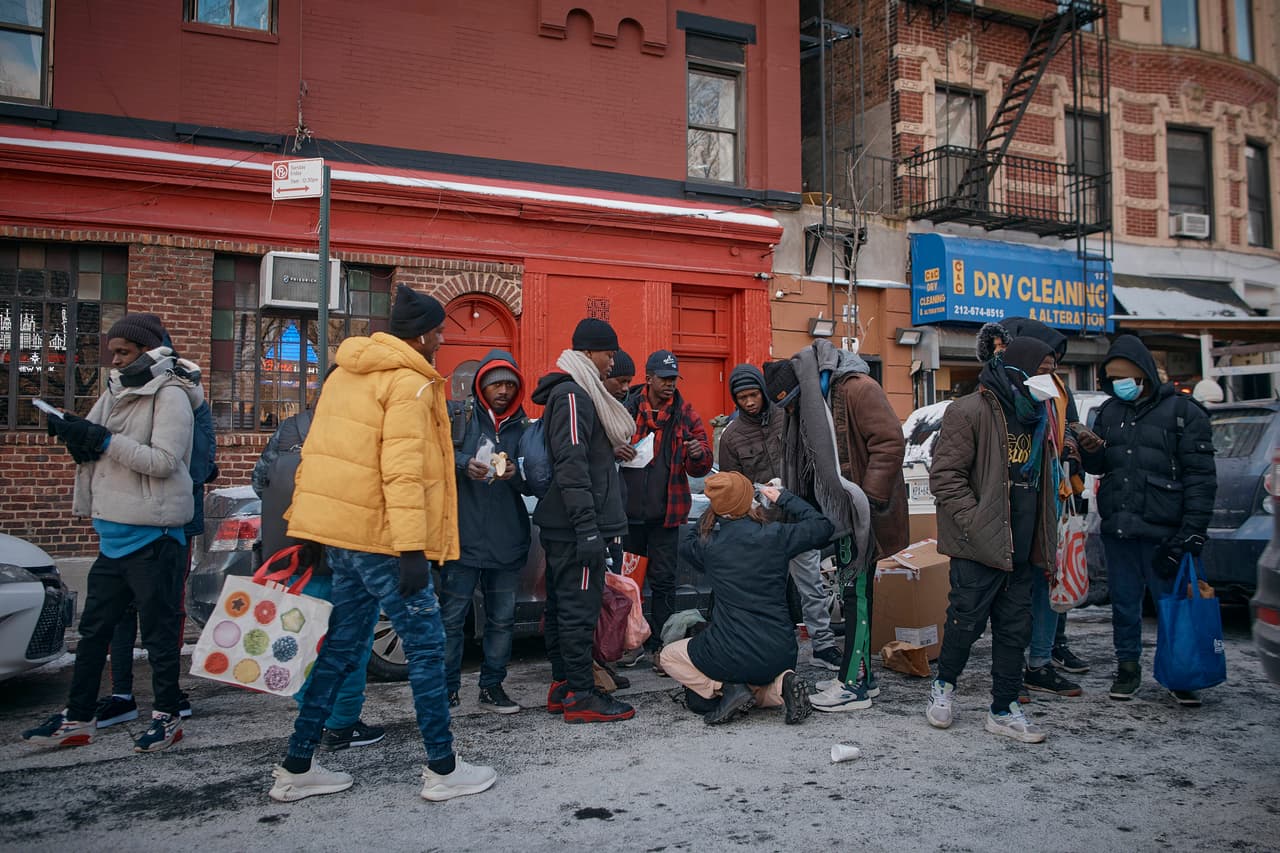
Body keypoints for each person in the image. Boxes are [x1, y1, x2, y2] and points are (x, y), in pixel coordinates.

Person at [267, 285, 495, 803]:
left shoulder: (347, 376)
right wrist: (413, 549)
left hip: (344, 538)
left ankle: (298, 765)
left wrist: (308, 533)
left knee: (342, 649)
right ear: (421, 335)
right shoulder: (411, 384)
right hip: (386, 540)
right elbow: (404, 471)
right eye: (439, 330)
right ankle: (442, 766)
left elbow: (319, 458)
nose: (442, 338)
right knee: (427, 647)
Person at [24, 313, 200, 753]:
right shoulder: (115, 389)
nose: (115, 360)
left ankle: (167, 716)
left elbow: (163, 462)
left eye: (123, 352)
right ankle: (78, 716)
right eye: (112, 352)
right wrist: (73, 434)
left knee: (158, 635)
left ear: (147, 350)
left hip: (154, 537)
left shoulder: (171, 394)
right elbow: (96, 438)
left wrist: (100, 440)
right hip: (112, 535)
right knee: (94, 632)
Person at [925, 336, 1060, 744]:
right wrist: (974, 522)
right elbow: (946, 478)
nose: (1049, 380)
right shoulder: (968, 411)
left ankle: (1003, 707)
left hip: (1021, 543)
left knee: (1014, 629)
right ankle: (944, 687)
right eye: (1043, 372)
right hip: (977, 544)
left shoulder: (1041, 414)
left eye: (1053, 372)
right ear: (1019, 370)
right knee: (965, 623)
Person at [1080, 334, 1216, 706]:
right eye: (1112, 378)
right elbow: (1101, 467)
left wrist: (1193, 532)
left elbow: (1201, 478)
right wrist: (1090, 453)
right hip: (1119, 529)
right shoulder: (1109, 412)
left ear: (1143, 374)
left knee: (1174, 605)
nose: (1119, 384)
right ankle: (1128, 668)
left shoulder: (1183, 413)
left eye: (1125, 376)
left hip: (1165, 531)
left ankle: (1181, 672)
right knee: (1124, 605)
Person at [252, 396, 386, 752]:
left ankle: (310, 718)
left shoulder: (290, 430)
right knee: (351, 643)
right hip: (349, 554)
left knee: (302, 640)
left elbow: (260, 481)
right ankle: (342, 724)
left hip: (295, 555)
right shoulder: (365, 429)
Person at [96, 344, 217, 729]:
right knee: (126, 612)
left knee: (161, 612)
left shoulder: (182, 399)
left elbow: (198, 462)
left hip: (171, 521)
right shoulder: (122, 393)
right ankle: (124, 695)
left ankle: (166, 697)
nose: (117, 361)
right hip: (125, 517)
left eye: (127, 352)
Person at [531, 318, 637, 723]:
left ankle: (564, 684)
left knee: (563, 608)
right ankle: (580, 695)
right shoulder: (574, 395)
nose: (611, 363)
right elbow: (572, 464)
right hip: (577, 528)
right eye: (609, 354)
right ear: (590, 353)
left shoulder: (579, 392)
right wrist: (589, 528)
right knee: (579, 610)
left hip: (571, 525)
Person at [666, 472, 832, 725]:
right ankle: (781, 685)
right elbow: (822, 526)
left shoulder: (709, 546)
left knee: (669, 655)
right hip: (781, 651)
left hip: (728, 653)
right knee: (764, 692)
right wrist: (784, 497)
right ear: (749, 501)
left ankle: (728, 688)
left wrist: (715, 507)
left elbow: (687, 541)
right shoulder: (776, 535)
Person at [986, 318, 1091, 696]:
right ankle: (1013, 666)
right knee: (1013, 590)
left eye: (1055, 363)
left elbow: (1067, 428)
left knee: (1046, 583)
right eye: (1046, 363)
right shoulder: (996, 389)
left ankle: (1041, 661)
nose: (1052, 370)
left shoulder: (1055, 391)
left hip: (1052, 498)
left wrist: (1074, 447)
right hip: (1010, 505)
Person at [716, 363, 840, 674]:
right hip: (762, 526)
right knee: (766, 593)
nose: (749, 402)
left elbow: (813, 457)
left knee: (811, 586)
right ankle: (769, 650)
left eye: (753, 394)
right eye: (741, 397)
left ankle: (823, 646)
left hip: (797, 518)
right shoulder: (731, 437)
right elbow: (733, 486)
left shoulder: (788, 415)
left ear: (763, 390)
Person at [809, 339, 908, 712]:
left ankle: (853, 684)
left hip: (862, 513)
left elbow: (889, 441)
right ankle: (861, 675)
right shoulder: (835, 391)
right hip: (850, 512)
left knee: (856, 594)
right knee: (855, 594)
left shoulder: (859, 388)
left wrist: (866, 499)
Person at [441, 349, 529, 714]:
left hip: (507, 539)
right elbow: (433, 455)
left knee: (502, 619)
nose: (504, 391)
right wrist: (464, 464)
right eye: (496, 384)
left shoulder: (526, 429)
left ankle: (492, 686)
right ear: (481, 386)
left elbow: (538, 479)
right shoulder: (458, 418)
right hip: (462, 536)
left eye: (510, 384)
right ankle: (445, 690)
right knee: (451, 619)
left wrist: (518, 475)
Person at [617, 350, 713, 674]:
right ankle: (631, 645)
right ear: (649, 378)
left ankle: (661, 647)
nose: (670, 384)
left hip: (667, 515)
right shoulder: (626, 409)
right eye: (665, 378)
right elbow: (604, 448)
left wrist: (699, 454)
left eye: (674, 379)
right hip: (627, 515)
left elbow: (702, 466)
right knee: (628, 584)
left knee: (663, 583)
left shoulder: (684, 413)